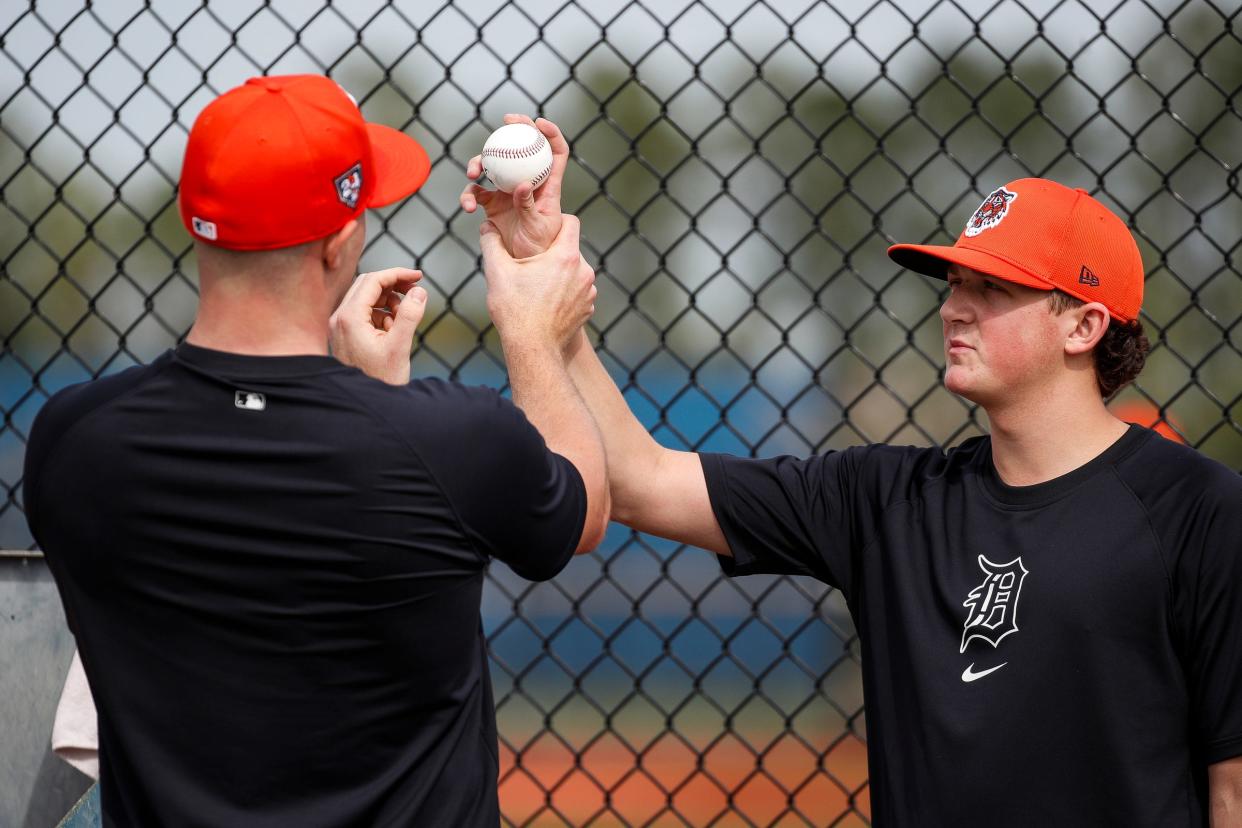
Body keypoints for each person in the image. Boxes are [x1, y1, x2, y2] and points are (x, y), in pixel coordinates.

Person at [465, 119, 1242, 826]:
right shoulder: (887, 498)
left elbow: (1232, 786)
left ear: (1084, 323)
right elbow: (638, 480)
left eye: (993, 289)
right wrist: (542, 285)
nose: (954, 308)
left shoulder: (1199, 510)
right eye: (955, 285)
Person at [23, 75, 608, 827]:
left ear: (195, 220)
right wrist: (528, 319)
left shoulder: (74, 442)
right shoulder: (449, 441)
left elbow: (263, 503)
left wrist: (365, 396)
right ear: (339, 241)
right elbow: (583, 507)